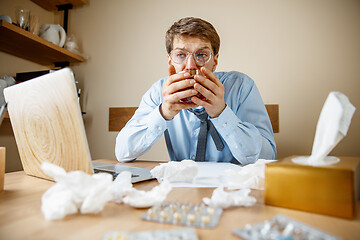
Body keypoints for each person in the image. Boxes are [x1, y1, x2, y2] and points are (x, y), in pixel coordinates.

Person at [115, 17, 276, 164]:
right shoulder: (159, 91)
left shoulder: (241, 87)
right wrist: (163, 112)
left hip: (232, 190)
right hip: (180, 188)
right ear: (170, 61)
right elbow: (122, 153)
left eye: (201, 54)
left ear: (215, 61)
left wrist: (221, 112)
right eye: (180, 54)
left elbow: (268, 157)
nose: (191, 66)